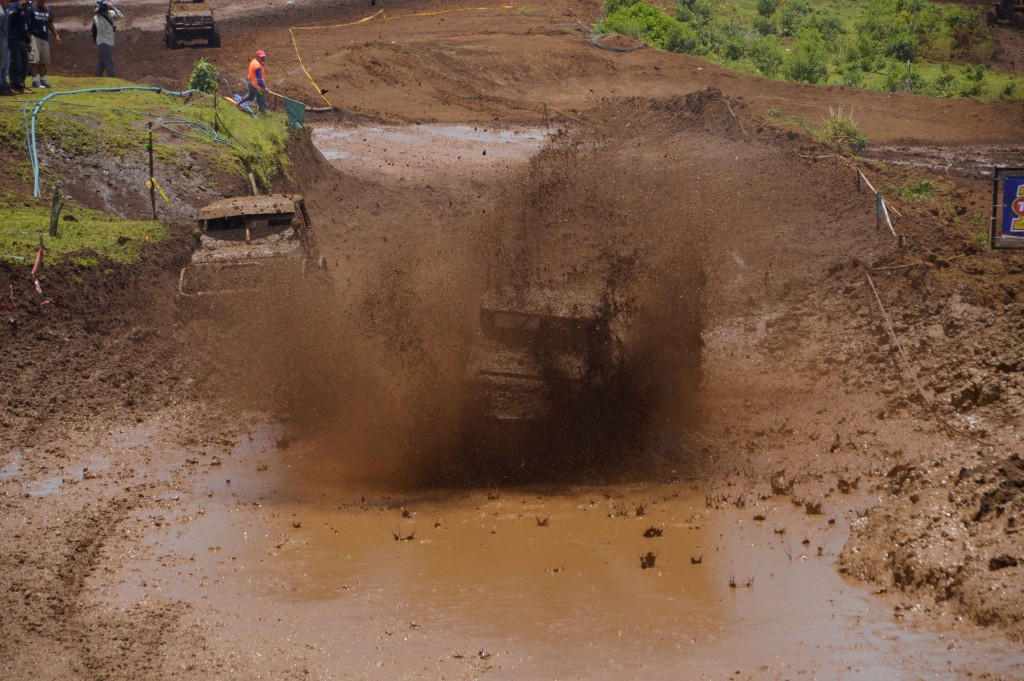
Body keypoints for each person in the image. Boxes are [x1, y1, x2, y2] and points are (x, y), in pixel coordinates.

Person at [26, 0, 59, 88]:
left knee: (43, 61)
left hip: (44, 37)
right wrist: (28, 38)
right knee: (34, 60)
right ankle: (35, 81)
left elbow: (50, 23)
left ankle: (43, 80)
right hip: (34, 36)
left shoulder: (48, 10)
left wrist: (56, 35)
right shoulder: (31, 9)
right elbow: (27, 23)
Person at [93, 0, 121, 78]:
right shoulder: (96, 17)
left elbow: (120, 16)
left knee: (101, 61)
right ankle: (112, 78)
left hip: (109, 41)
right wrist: (99, 14)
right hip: (103, 42)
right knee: (109, 61)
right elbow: (101, 28)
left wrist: (113, 8)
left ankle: (97, 77)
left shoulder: (111, 13)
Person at [6, 0, 29, 93]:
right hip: (14, 39)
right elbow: (11, 16)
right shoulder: (14, 6)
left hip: (23, 39)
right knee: (16, 63)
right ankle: (15, 85)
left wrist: (28, 40)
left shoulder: (26, 8)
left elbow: (26, 24)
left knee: (25, 64)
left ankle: (21, 84)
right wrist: (19, 9)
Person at [240, 49, 268, 115]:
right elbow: (260, 80)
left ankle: (239, 102)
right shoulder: (257, 66)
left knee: (250, 96)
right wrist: (264, 88)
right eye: (261, 57)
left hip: (251, 83)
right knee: (261, 100)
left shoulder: (253, 61)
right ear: (257, 56)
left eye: (263, 57)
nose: (263, 58)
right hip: (257, 87)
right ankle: (261, 114)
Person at [0, 0, 12, 96]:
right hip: (1, 38)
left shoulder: (6, 12)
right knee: (1, 64)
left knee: (5, 64)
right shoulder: (1, 13)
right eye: (7, 1)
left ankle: (4, 84)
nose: (9, 4)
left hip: (5, 37)